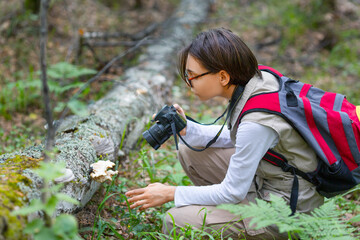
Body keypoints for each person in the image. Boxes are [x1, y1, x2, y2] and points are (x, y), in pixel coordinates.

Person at [125, 27, 324, 239]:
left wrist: (170, 193)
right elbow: (236, 136)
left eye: (192, 75)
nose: (188, 82)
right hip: (268, 180)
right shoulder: (258, 81)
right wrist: (187, 128)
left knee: (175, 220)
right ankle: (228, 214)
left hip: (285, 213)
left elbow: (232, 191)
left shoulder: (256, 122)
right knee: (191, 152)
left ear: (222, 77)